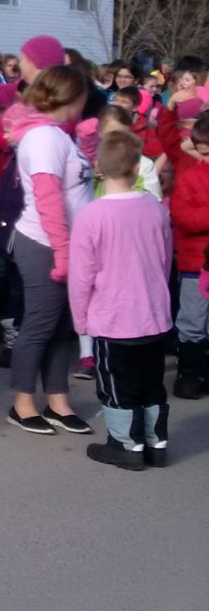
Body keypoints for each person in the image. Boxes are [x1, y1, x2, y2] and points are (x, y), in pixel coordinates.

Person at [70, 131, 173, 469]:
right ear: (136, 168)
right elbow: (164, 259)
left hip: (114, 318)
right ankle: (156, 442)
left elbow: (81, 275)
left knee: (116, 386)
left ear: (98, 166)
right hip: (154, 314)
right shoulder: (154, 208)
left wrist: (81, 320)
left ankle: (126, 446)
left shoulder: (92, 215)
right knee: (151, 383)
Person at [4, 65, 94, 435]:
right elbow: (47, 199)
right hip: (45, 243)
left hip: (63, 244)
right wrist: (63, 250)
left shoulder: (59, 135)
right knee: (41, 324)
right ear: (74, 97)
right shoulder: (44, 138)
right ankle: (22, 402)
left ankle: (58, 399)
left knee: (61, 327)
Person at [162, 109, 209, 399]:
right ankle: (189, 371)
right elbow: (183, 217)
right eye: (203, 153)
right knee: (193, 320)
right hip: (196, 263)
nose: (205, 159)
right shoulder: (190, 177)